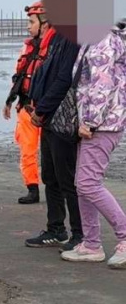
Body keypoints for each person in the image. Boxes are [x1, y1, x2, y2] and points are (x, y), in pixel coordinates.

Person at [61, 20, 126, 268]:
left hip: (102, 124)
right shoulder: (94, 38)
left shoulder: (103, 40)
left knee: (87, 183)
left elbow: (102, 85)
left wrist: (90, 121)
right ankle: (91, 244)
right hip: (97, 123)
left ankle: (123, 237)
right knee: (83, 184)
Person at [24, 2, 83, 251]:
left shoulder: (71, 37)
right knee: (51, 176)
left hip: (61, 117)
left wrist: (42, 108)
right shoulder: (57, 37)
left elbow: (64, 79)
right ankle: (56, 229)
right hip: (49, 117)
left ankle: (80, 235)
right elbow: (47, 74)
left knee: (67, 179)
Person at [3, 2, 54, 204]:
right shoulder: (28, 47)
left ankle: (58, 189)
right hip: (26, 106)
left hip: (48, 109)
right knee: (27, 150)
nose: (28, 26)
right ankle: (32, 188)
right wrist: (9, 100)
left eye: (31, 22)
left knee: (54, 153)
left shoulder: (57, 48)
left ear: (45, 24)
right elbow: (20, 75)